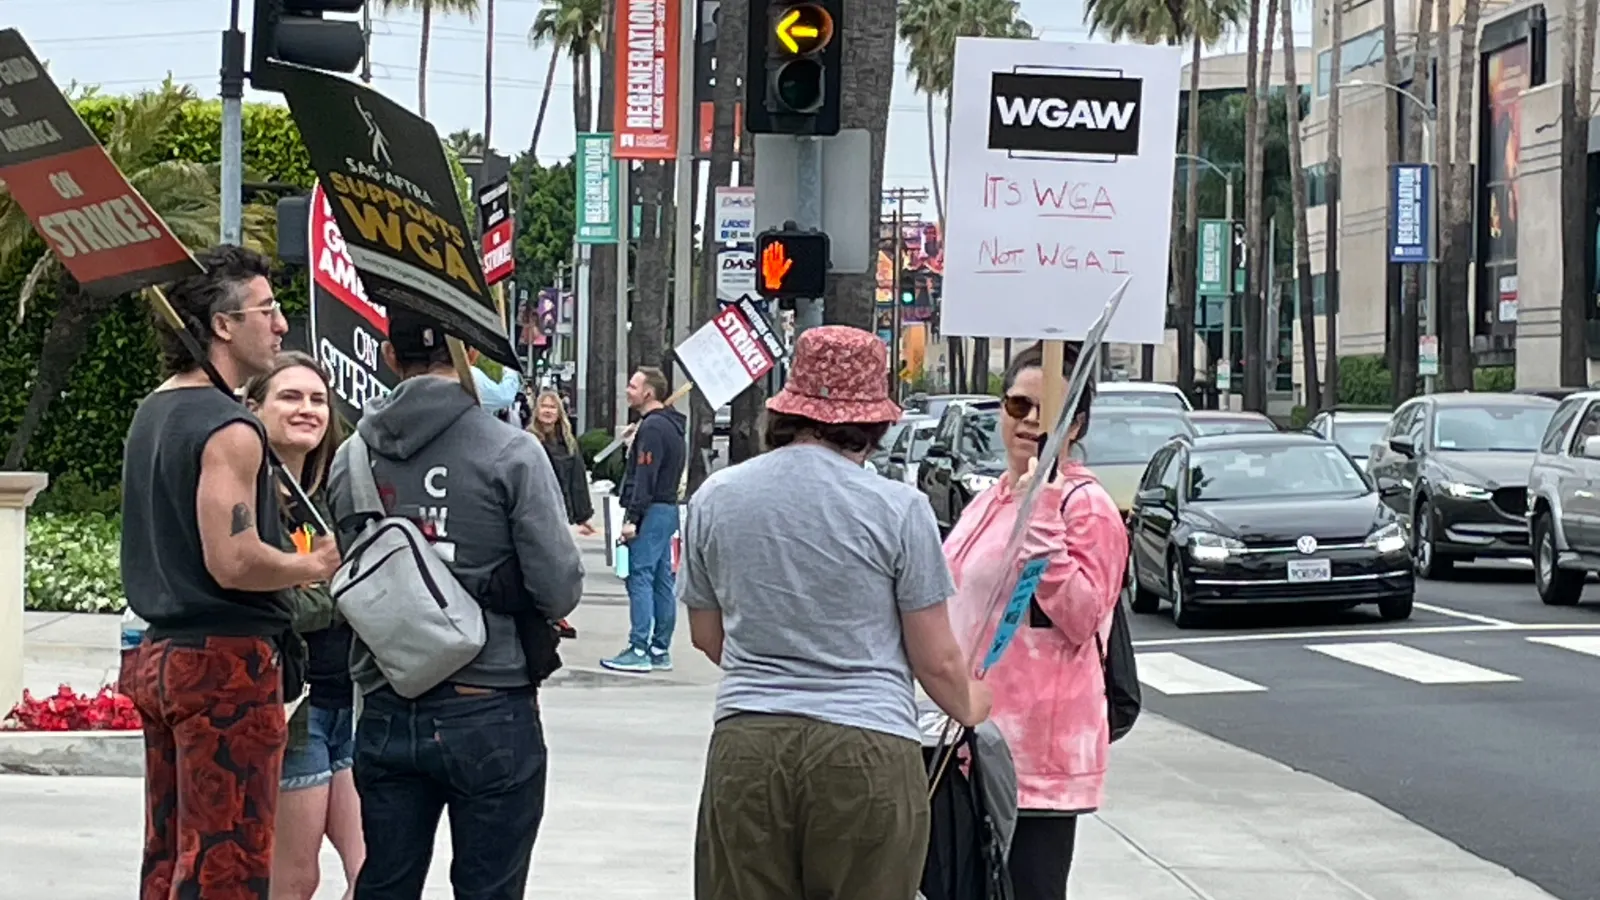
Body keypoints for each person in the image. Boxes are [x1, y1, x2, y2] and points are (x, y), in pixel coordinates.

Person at [681, 325, 991, 900]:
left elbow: (705, 634)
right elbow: (934, 658)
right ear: (873, 421)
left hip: (748, 743)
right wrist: (976, 701)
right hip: (868, 749)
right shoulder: (899, 509)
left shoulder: (716, 498)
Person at [326, 308, 585, 900]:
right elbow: (560, 586)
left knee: (384, 883)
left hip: (388, 702)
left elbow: (357, 570)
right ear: (466, 353)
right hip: (489, 703)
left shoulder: (351, 458)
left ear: (390, 358)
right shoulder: (510, 451)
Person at [120, 245, 343, 900]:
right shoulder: (230, 426)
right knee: (229, 860)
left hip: (164, 654)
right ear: (222, 323)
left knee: (170, 851)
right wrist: (312, 563)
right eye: (268, 310)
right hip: (226, 664)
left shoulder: (154, 410)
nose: (280, 325)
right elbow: (234, 559)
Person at [942, 342, 1127, 900]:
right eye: (1017, 405)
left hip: (1036, 758)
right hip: (969, 742)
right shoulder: (991, 498)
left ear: (1077, 424)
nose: (1029, 423)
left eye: (1050, 410)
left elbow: (1083, 616)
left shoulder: (1085, 505)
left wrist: (1045, 528)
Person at [242, 352, 365, 900]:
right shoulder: (248, 494)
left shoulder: (334, 494)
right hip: (294, 710)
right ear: (254, 408)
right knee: (294, 878)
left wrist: (319, 586)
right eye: (289, 397)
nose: (307, 409)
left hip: (353, 700)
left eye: (317, 399)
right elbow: (267, 600)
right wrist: (330, 585)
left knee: (375, 873)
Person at [601, 366, 686, 673]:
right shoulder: (669, 426)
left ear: (648, 392)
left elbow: (645, 476)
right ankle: (660, 648)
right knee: (662, 579)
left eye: (633, 386)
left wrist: (632, 518)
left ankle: (638, 648)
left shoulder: (652, 429)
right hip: (667, 508)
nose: (628, 390)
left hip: (651, 511)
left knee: (640, 576)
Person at [529, 388, 593, 640]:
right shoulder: (528, 440)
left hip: (561, 513)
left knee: (560, 567)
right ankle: (544, 614)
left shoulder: (568, 443)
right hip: (534, 513)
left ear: (559, 412)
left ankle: (556, 613)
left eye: (552, 407)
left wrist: (583, 515)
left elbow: (578, 480)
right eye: (543, 406)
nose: (547, 411)